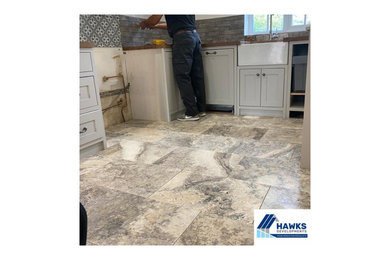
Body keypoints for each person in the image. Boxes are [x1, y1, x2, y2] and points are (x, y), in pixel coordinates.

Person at [140, 15, 206, 121]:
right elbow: (174, 24)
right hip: (195, 37)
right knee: (197, 75)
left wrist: (146, 23)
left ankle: (192, 113)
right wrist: (155, 26)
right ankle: (201, 109)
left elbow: (154, 19)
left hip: (183, 39)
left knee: (182, 75)